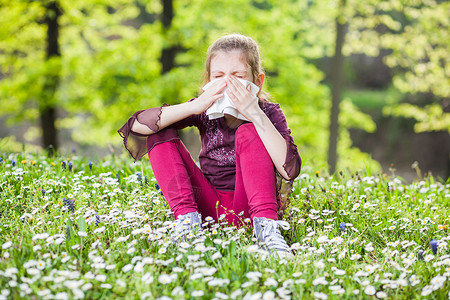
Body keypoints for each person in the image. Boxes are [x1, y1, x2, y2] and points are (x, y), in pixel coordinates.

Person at [118, 33, 301, 258]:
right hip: (208, 208)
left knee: (249, 130)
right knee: (159, 130)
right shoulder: (204, 110)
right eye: (219, 76)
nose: (228, 83)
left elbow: (289, 169)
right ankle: (187, 226)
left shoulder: (268, 112)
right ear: (208, 82)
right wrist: (196, 106)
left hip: (253, 206)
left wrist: (254, 114)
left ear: (257, 81)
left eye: (238, 75)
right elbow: (136, 126)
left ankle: (268, 234)